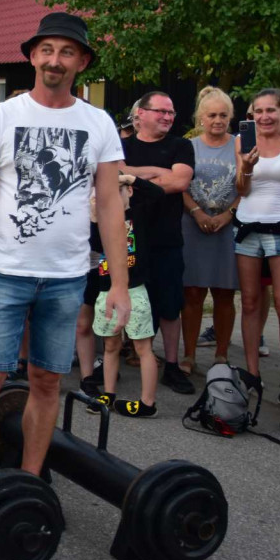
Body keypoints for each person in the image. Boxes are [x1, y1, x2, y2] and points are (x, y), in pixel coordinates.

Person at [0, 12, 130, 478]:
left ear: (81, 61)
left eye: (66, 52)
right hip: (7, 270)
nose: (55, 60)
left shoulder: (98, 123)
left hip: (67, 276)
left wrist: (118, 285)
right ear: (32, 56)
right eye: (46, 50)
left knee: (47, 381)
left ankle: (29, 480)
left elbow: (109, 206)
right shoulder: (2, 118)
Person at [120, 91, 196, 394]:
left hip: (166, 238)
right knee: (125, 299)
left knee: (169, 304)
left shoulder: (181, 145)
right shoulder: (121, 145)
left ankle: (173, 366)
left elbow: (179, 182)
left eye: (171, 112)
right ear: (140, 114)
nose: (168, 117)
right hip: (126, 237)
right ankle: (124, 357)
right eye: (161, 112)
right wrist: (155, 175)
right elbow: (114, 175)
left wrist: (132, 178)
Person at [234, 87, 280, 405]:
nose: (264, 117)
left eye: (270, 110)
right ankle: (252, 374)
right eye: (258, 111)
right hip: (248, 228)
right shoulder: (243, 141)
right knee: (249, 302)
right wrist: (247, 165)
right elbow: (241, 188)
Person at [91, 174, 165, 418]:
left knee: (143, 347)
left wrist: (133, 178)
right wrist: (93, 220)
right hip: (105, 289)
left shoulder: (139, 214)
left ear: (129, 192)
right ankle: (108, 394)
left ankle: (147, 402)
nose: (111, 197)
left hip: (135, 289)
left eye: (118, 191)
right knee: (110, 345)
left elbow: (158, 194)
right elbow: (93, 247)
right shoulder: (100, 219)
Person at [179, 87, 239, 374]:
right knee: (192, 293)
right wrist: (196, 211)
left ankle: (221, 355)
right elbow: (181, 187)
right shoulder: (188, 147)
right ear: (200, 118)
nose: (218, 120)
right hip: (193, 226)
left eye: (223, 115)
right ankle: (188, 355)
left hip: (228, 228)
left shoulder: (240, 145)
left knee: (225, 293)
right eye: (212, 114)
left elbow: (250, 186)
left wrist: (229, 214)